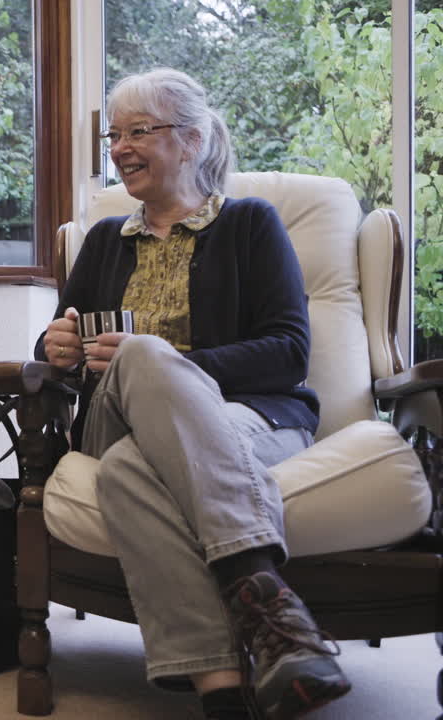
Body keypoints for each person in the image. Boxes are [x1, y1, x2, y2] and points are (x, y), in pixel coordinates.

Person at [35, 68, 350, 720]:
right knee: (141, 368)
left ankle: (222, 696)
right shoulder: (102, 242)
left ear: (193, 139)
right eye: (114, 135)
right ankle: (261, 593)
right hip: (113, 420)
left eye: (138, 131)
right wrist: (52, 348)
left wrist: (177, 366)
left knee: (127, 471)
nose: (120, 148)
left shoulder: (251, 226)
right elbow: (59, 348)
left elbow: (290, 352)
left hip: (249, 418)